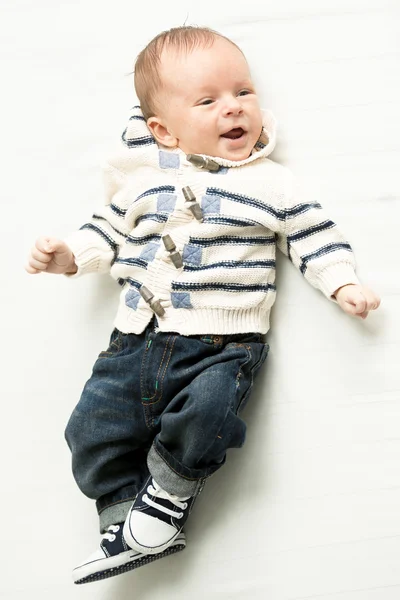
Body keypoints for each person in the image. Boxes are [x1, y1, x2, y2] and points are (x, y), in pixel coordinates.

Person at [25, 26, 381, 585]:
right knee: (89, 429)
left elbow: (314, 235)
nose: (233, 109)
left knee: (208, 414)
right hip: (133, 342)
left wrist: (342, 283)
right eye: (208, 101)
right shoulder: (142, 184)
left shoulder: (272, 185)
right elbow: (105, 232)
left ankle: (166, 500)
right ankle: (125, 521)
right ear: (163, 131)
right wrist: (68, 256)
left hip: (222, 345)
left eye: (243, 92)